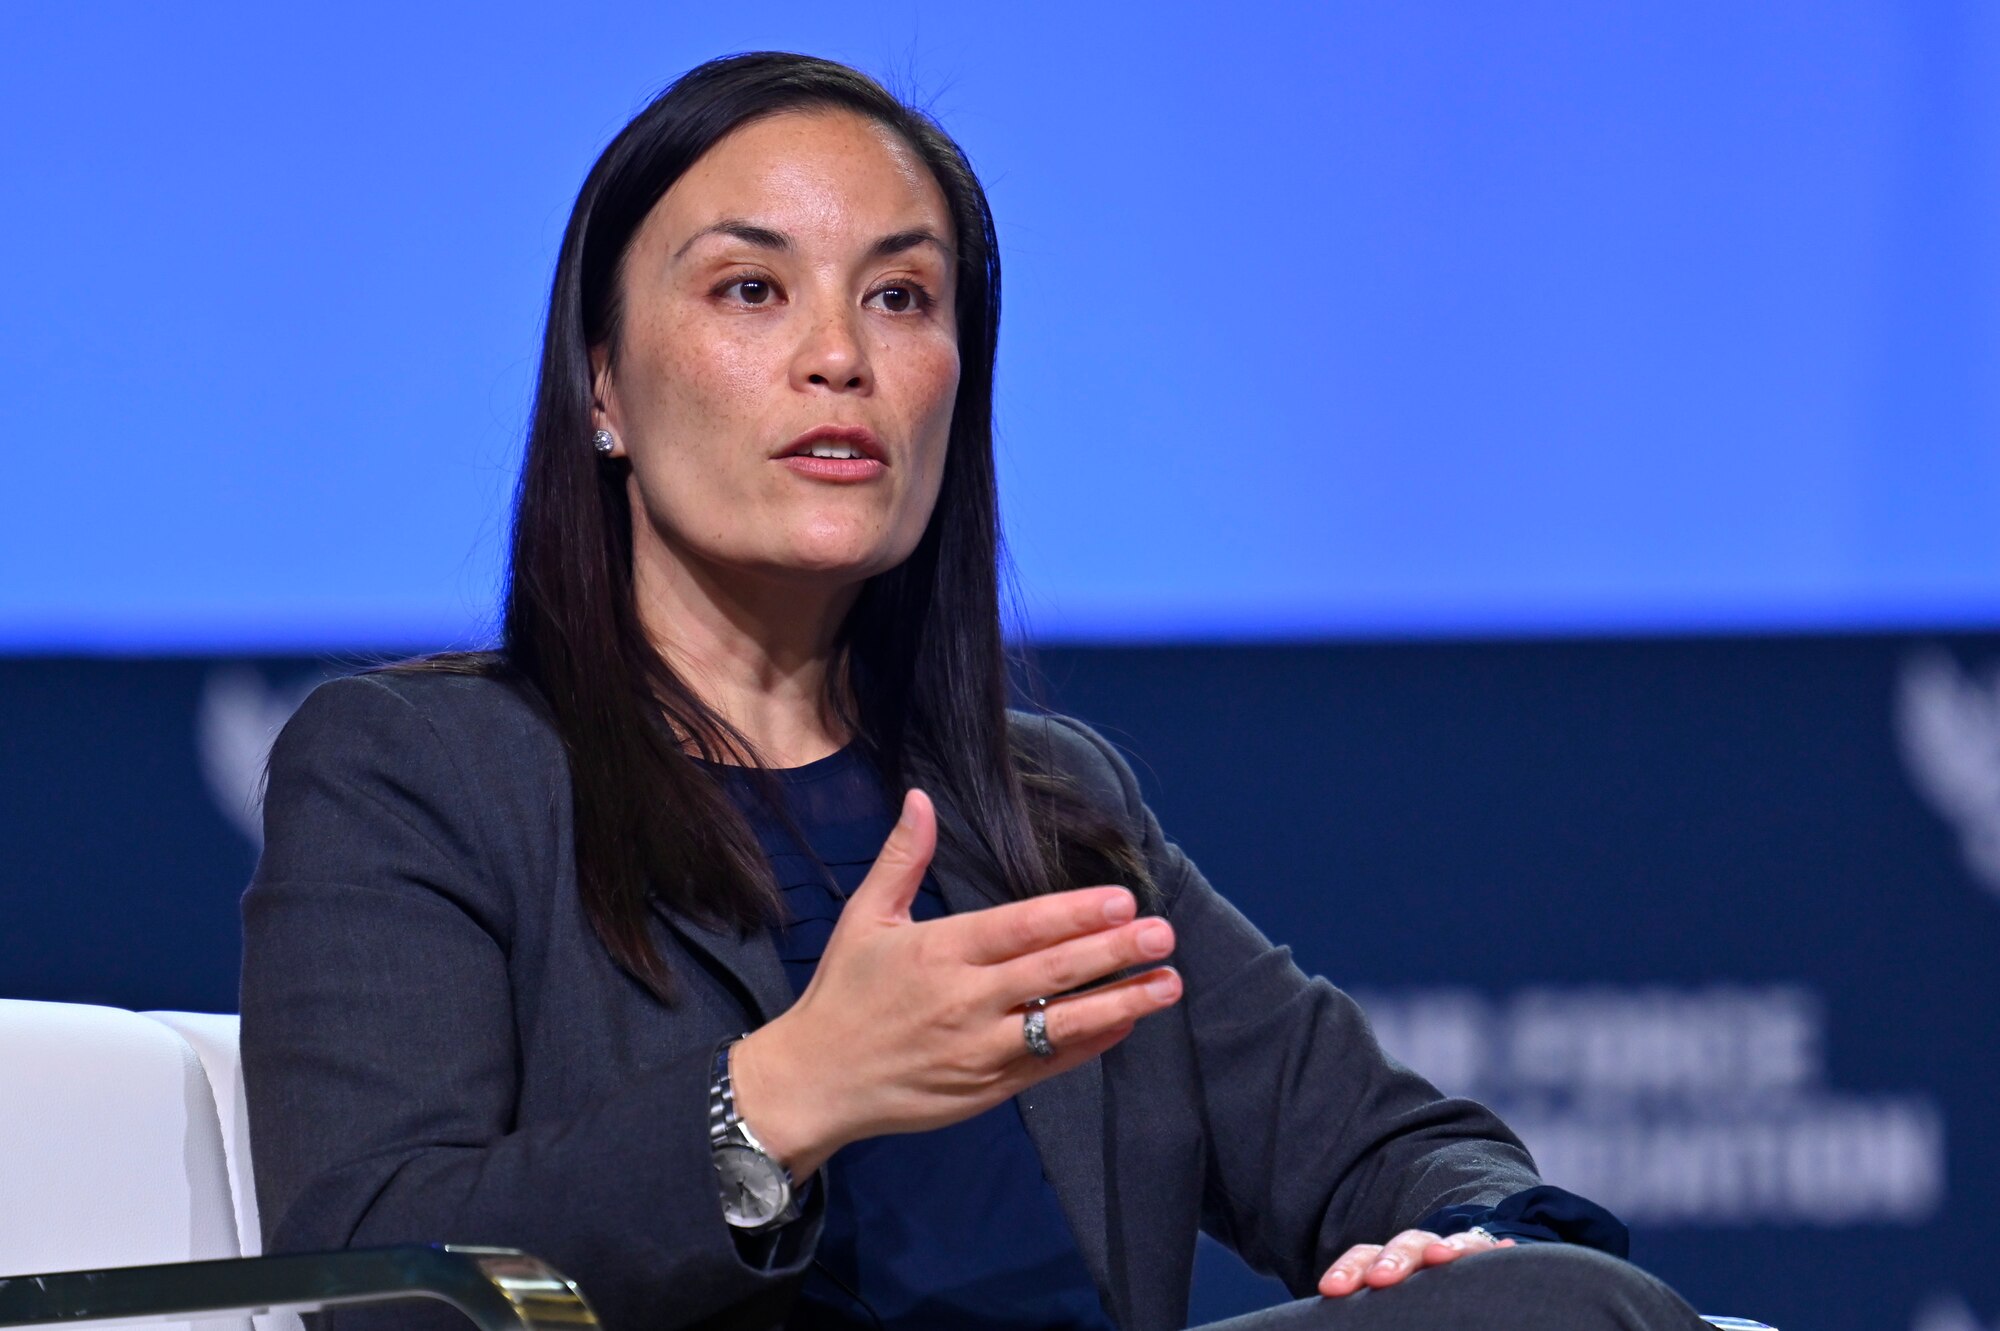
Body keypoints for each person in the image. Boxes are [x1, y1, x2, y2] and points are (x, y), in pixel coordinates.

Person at [240, 51, 1711, 1331]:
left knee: (1554, 1303)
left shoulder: (1041, 804)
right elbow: (381, 1274)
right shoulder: (419, 773)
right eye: (752, 289)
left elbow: (1401, 1146)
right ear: (604, 386)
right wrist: (780, 1098)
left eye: (901, 297)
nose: (840, 359)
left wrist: (1456, 1246)